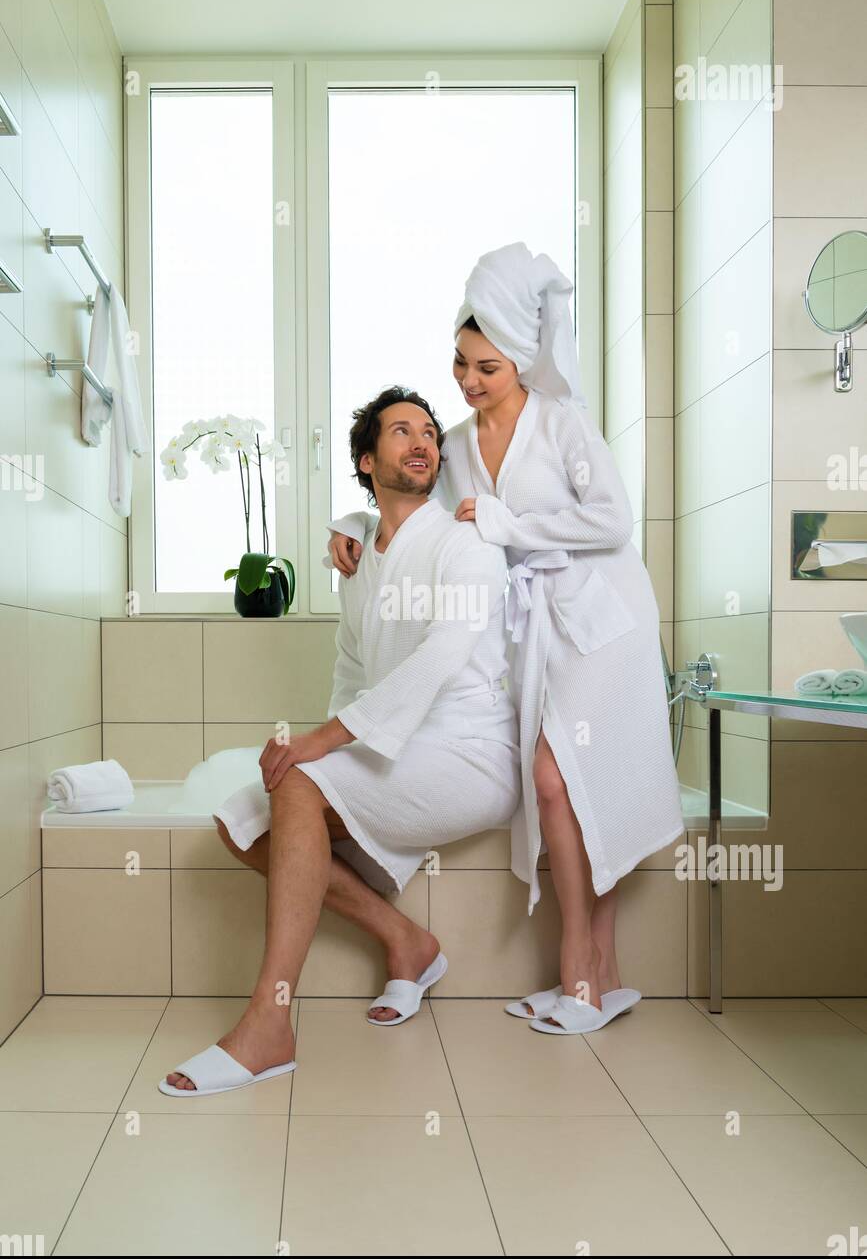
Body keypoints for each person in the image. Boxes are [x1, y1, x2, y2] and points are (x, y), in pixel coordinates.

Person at [326, 242, 685, 1036]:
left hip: (601, 622)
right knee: (561, 784)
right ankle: (605, 975)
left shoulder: (562, 424)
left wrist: (510, 523)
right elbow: (407, 495)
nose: (467, 380)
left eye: (485, 367)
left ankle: (578, 977)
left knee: (561, 779)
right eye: (460, 362)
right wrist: (349, 525)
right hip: (531, 630)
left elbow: (612, 522)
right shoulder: (452, 443)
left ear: (522, 361)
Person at [159, 385, 520, 1095]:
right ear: (365, 458)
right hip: (399, 746)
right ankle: (406, 941)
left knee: (300, 780)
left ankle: (269, 1022)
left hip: (470, 752)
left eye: (427, 432)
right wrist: (330, 743)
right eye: (400, 431)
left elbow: (442, 658)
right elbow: (352, 671)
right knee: (242, 823)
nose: (421, 441)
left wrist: (324, 745)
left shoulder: (465, 544)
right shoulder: (358, 558)